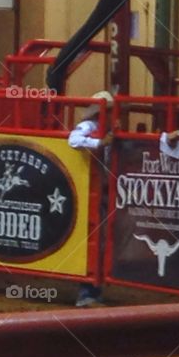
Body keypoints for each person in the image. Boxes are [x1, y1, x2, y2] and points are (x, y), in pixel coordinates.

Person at [68, 90, 114, 308]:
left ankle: (92, 289)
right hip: (91, 190)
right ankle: (87, 292)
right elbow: (73, 140)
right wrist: (100, 144)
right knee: (93, 240)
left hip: (101, 189)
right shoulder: (90, 128)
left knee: (99, 240)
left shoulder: (106, 129)